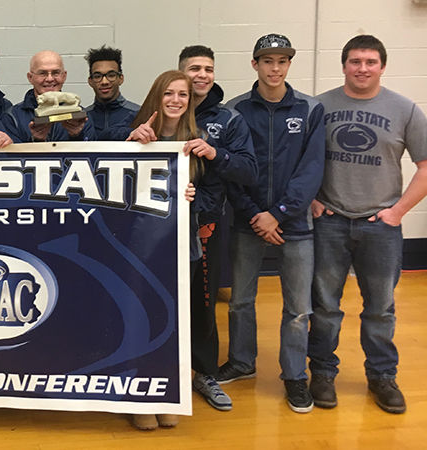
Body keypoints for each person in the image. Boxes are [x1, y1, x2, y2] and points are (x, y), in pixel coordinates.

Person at [308, 35, 427, 414]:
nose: (362, 68)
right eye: (355, 61)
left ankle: (381, 376)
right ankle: (323, 374)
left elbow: (426, 166)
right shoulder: (319, 107)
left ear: (382, 66)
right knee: (325, 305)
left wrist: (398, 211)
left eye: (370, 62)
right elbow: (298, 160)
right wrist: (310, 198)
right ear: (343, 65)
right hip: (330, 222)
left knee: (380, 307)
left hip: (381, 226)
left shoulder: (405, 109)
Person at [219, 34, 325, 414]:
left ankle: (295, 376)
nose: (274, 68)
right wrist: (253, 214)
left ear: (289, 65)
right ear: (254, 65)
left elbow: (311, 171)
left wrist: (278, 214)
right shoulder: (235, 110)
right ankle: (242, 362)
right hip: (248, 221)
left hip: (294, 225)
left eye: (282, 61)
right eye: (267, 61)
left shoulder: (311, 110)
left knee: (297, 309)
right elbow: (232, 170)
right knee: (240, 301)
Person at [126, 70, 220, 430]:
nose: (176, 100)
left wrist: (195, 199)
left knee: (174, 324)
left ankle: (165, 393)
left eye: (182, 94)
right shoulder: (136, 135)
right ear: (157, 97)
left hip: (184, 247)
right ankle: (138, 396)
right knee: (142, 320)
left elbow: (216, 194)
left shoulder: (197, 141)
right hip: (140, 249)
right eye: (168, 93)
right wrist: (130, 145)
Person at [177, 44, 257, 411]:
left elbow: (247, 170)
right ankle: (162, 370)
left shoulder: (229, 120)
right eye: (194, 68)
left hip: (206, 225)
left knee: (203, 303)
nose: (202, 75)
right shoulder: (165, 111)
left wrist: (215, 153)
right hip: (159, 226)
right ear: (181, 72)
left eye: (208, 68)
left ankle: (204, 373)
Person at [3, 50, 96, 142]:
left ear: (64, 76)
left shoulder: (81, 118)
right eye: (42, 73)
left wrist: (77, 136)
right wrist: (36, 140)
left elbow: (91, 153)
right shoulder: (13, 117)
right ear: (30, 77)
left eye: (55, 73)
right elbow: (11, 156)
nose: (50, 79)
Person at [83, 45, 140, 140]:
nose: (104, 81)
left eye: (111, 75)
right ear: (90, 81)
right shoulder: (83, 118)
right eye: (97, 76)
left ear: (121, 79)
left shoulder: (138, 114)